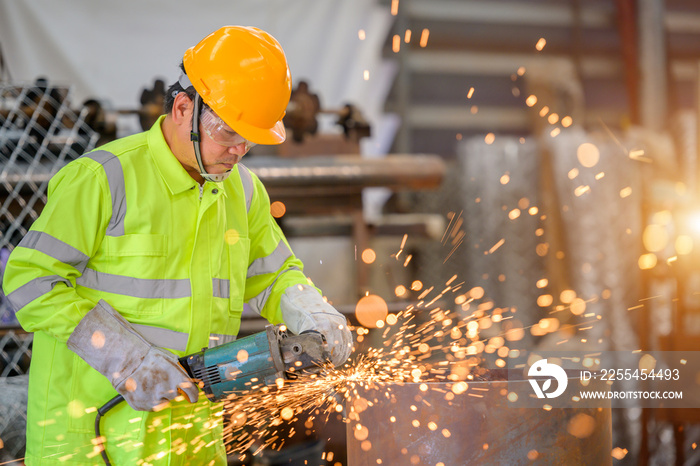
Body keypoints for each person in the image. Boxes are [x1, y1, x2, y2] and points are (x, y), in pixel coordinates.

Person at [2, 25, 353, 465]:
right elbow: (31, 282)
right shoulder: (103, 178)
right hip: (91, 438)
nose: (239, 150)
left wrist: (312, 310)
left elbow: (274, 274)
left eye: (250, 139)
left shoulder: (242, 192)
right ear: (184, 108)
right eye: (228, 133)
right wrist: (125, 359)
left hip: (190, 435)